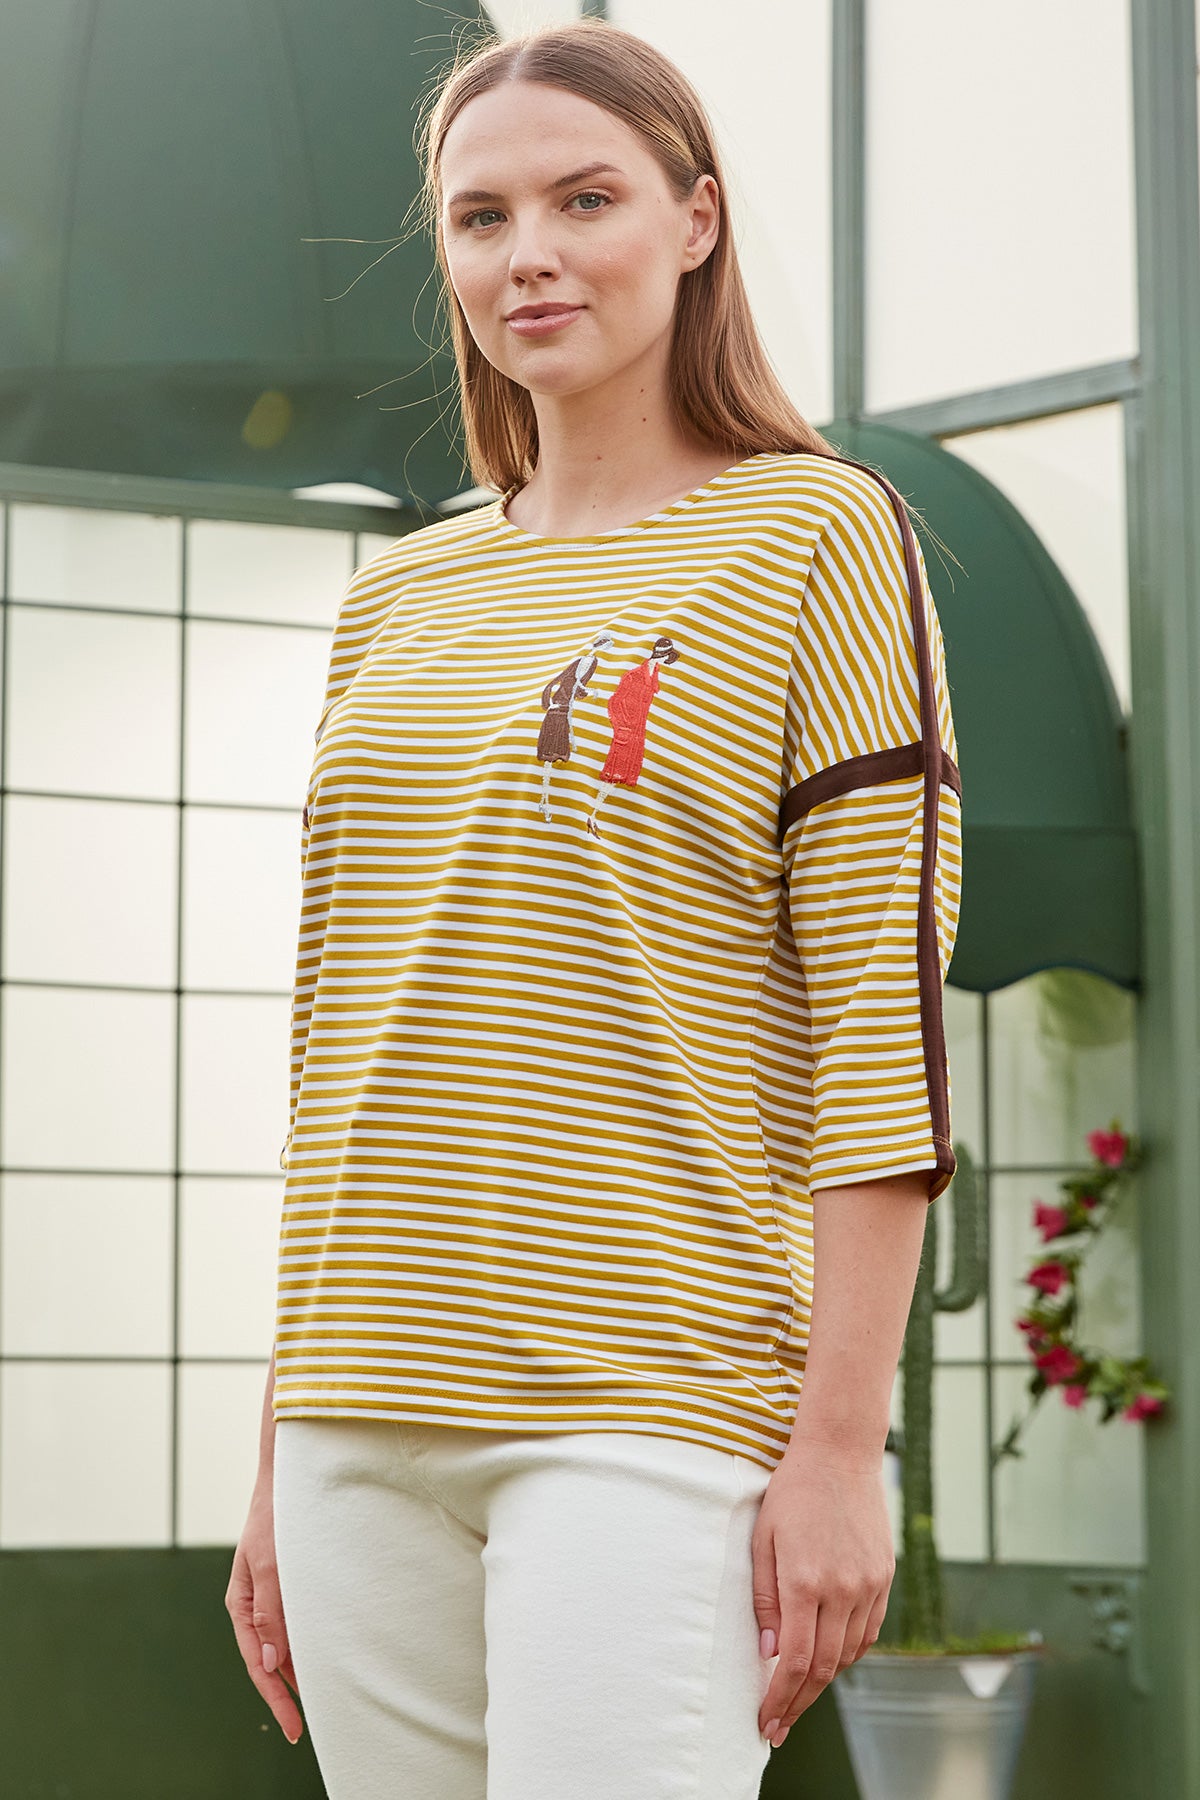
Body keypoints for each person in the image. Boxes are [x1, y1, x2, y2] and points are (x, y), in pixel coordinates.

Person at [225, 18, 963, 1800]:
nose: (528, 255)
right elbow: (343, 1034)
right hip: (355, 1402)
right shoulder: (399, 599)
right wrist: (272, 1447)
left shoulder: (816, 535)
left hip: (648, 1399)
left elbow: (879, 1022)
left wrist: (840, 1450)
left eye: (585, 199)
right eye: (481, 219)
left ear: (694, 221)